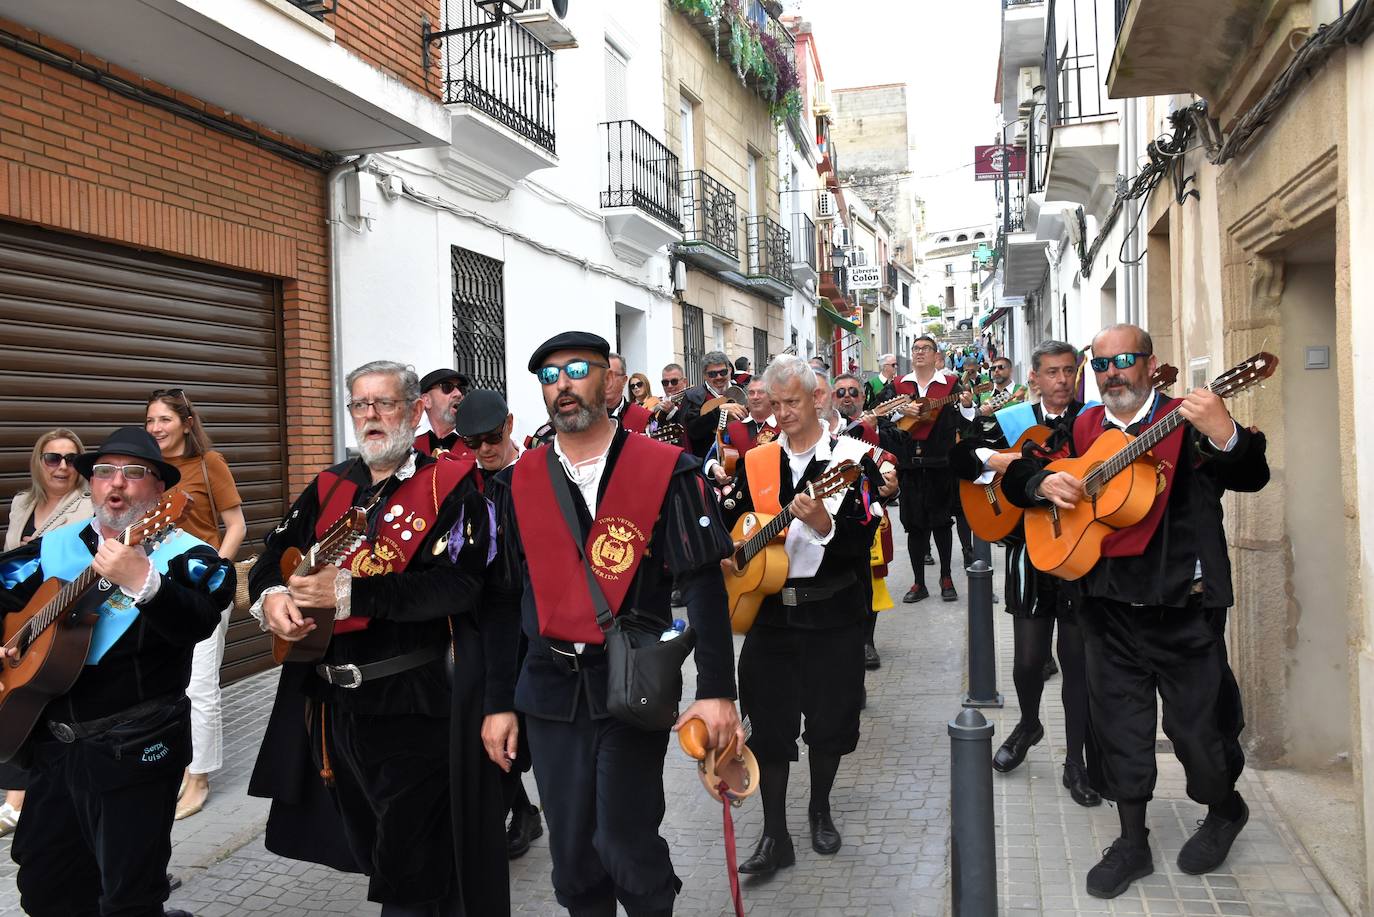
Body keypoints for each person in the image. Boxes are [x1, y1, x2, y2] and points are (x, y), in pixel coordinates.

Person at [1003, 324, 1268, 899]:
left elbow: (1250, 475)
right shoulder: (1083, 426)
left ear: (1150, 363)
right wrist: (1043, 482)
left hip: (1182, 607)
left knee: (1198, 729)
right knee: (1119, 727)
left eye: (1123, 360)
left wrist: (1226, 433)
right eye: (1100, 365)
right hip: (1105, 606)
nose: (1111, 373)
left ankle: (1225, 809)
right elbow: (1021, 470)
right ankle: (1131, 841)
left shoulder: (1187, 421)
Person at [487, 331, 743, 916]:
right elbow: (501, 602)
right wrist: (498, 703)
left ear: (609, 382)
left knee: (625, 843)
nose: (562, 385)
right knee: (574, 858)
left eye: (577, 371)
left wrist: (716, 692)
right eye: (549, 376)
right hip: (549, 692)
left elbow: (703, 584)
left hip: (632, 685)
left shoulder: (667, 470)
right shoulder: (514, 484)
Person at [248, 360, 508, 916]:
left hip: (414, 706)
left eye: (384, 403)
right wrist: (270, 597)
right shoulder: (331, 485)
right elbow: (271, 555)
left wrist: (352, 595)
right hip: (333, 708)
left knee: (408, 872)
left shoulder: (451, 486)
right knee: (375, 850)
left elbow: (460, 586)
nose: (370, 416)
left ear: (414, 412)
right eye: (360, 404)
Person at [0, 427, 232, 917]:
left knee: (129, 897)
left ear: (160, 489)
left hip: (135, 748)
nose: (116, 482)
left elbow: (199, 619)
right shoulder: (54, 547)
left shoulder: (189, 556)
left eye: (133, 472)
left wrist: (146, 583)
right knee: (45, 884)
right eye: (104, 472)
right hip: (55, 751)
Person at [720, 356, 882, 875]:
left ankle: (819, 809)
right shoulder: (758, 460)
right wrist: (731, 551)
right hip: (770, 615)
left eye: (792, 402)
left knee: (830, 722)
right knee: (768, 727)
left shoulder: (853, 460)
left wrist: (828, 526)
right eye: (776, 403)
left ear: (818, 398)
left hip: (832, 614)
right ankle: (775, 834)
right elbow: (735, 521)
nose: (783, 413)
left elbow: (864, 539)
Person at [950, 340, 1098, 808]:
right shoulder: (1012, 420)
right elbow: (961, 455)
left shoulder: (1094, 421)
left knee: (1076, 661)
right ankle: (1030, 723)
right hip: (1026, 549)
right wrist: (996, 459)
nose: (1062, 380)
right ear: (1034, 377)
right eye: (1052, 372)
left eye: (1069, 371)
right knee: (1028, 660)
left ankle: (1076, 760)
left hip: (1078, 550)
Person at [145, 388, 247, 822]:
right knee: (166, 683)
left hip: (202, 588)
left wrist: (214, 573)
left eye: (164, 419)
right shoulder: (148, 469)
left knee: (200, 685)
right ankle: (175, 766)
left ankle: (199, 777)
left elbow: (237, 525)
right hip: (156, 588)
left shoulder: (209, 463)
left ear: (187, 423)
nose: (156, 428)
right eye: (150, 420)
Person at [452, 390, 544, 860]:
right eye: (472, 442)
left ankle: (521, 810)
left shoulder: (537, 476)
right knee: (485, 726)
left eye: (491, 438)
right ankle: (519, 810)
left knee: (515, 725)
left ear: (509, 425)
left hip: (525, 625)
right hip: (473, 624)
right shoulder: (462, 484)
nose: (484, 449)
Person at [0, 428, 93, 838]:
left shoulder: (88, 506)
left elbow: (85, 563)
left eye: (71, 459)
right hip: (17, 615)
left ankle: (19, 800)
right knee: (14, 700)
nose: (62, 467)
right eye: (53, 458)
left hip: (57, 616)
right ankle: (18, 794)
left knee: (36, 698)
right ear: (39, 462)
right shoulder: (22, 504)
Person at [876, 335, 975, 603]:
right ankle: (919, 582)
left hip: (940, 463)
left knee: (942, 523)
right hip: (909, 465)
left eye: (925, 348)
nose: (919, 352)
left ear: (935, 355)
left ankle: (946, 577)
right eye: (916, 348)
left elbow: (965, 421)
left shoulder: (951, 384)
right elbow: (881, 418)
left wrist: (967, 406)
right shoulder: (899, 385)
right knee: (914, 525)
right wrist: (902, 412)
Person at [831, 375, 899, 671]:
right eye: (840, 392)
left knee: (870, 580)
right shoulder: (815, 431)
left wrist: (892, 486)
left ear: (862, 397)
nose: (847, 397)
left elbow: (893, 468)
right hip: (826, 519)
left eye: (853, 392)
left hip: (866, 517)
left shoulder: (875, 430)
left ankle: (867, 641)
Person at [680, 350, 748, 460]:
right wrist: (719, 411)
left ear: (730, 370)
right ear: (704, 375)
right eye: (712, 374)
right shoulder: (693, 396)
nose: (718, 377)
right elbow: (692, 431)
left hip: (743, 458)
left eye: (723, 372)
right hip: (707, 462)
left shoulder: (746, 391)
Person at [414, 368, 474, 460]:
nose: (458, 394)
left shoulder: (475, 442)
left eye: (461, 389)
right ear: (427, 401)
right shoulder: (408, 442)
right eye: (447, 387)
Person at [605, 352, 652, 434]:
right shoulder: (585, 415)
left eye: (613, 375)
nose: (607, 380)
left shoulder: (643, 417)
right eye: (603, 374)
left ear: (624, 380)